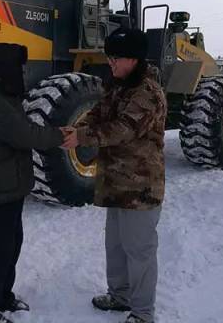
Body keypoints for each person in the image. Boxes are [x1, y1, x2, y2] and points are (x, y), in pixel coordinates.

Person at [0, 43, 75, 323]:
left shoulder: (5, 96)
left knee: (10, 247)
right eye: (20, 67)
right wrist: (58, 135)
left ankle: (2, 296)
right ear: (6, 69)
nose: (24, 73)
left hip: (7, 190)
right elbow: (25, 135)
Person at [67, 28, 167, 323]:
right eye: (109, 57)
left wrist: (82, 137)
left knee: (140, 251)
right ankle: (120, 296)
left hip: (140, 187)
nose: (111, 63)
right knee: (116, 245)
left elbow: (122, 129)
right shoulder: (118, 85)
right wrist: (77, 127)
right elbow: (99, 113)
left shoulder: (147, 92)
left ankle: (143, 313)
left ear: (134, 59)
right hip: (115, 182)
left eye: (117, 58)